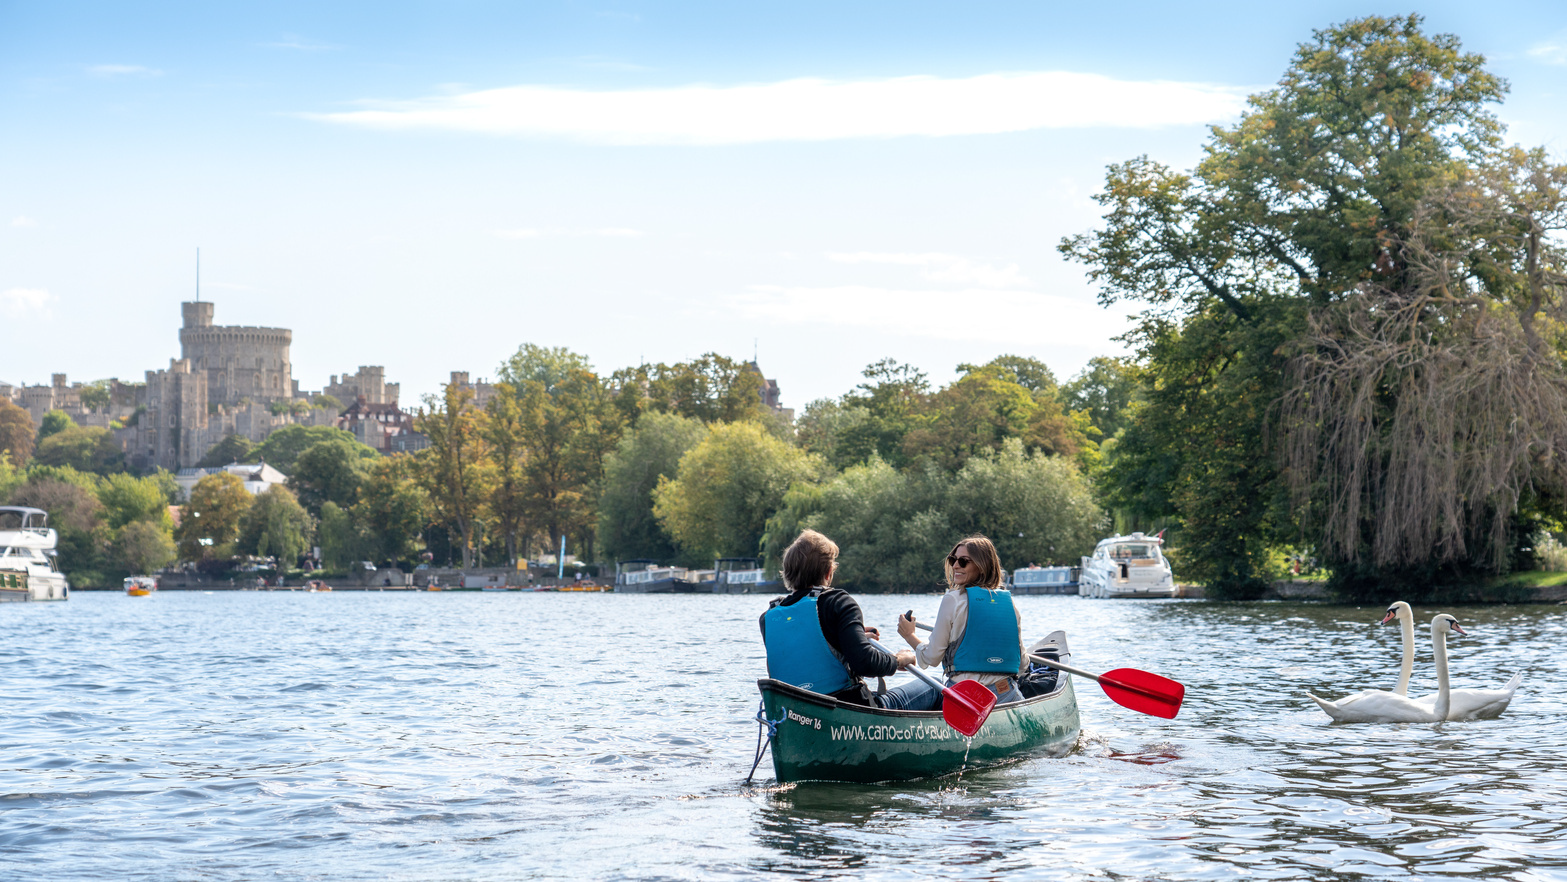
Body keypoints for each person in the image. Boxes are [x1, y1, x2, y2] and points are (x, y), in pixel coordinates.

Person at [760, 530, 916, 706]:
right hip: (846, 711)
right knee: (931, 691)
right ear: (828, 572)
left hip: (791, 711)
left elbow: (804, 652)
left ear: (788, 573)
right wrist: (898, 659)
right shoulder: (838, 602)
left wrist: (844, 637)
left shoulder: (768, 617)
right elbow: (865, 664)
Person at [889, 535, 1026, 710]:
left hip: (966, 698)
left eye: (964, 561)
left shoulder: (952, 600)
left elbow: (931, 657)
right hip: (1006, 694)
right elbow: (1022, 664)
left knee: (936, 685)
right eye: (953, 559)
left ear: (982, 566)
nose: (955, 565)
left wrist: (909, 635)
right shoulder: (1009, 604)